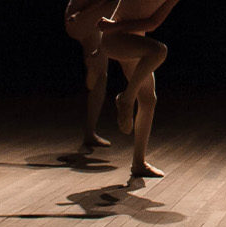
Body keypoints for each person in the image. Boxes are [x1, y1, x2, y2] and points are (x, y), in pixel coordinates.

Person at [95, 0, 181, 177]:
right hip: (115, 40)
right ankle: (127, 98)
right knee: (158, 51)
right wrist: (113, 26)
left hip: (133, 43)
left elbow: (152, 23)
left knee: (148, 100)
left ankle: (138, 163)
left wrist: (115, 25)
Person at [65, 0, 119, 153]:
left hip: (89, 23)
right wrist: (81, 15)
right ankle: (97, 54)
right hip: (80, 18)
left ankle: (89, 133)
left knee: (101, 76)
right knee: (118, 3)